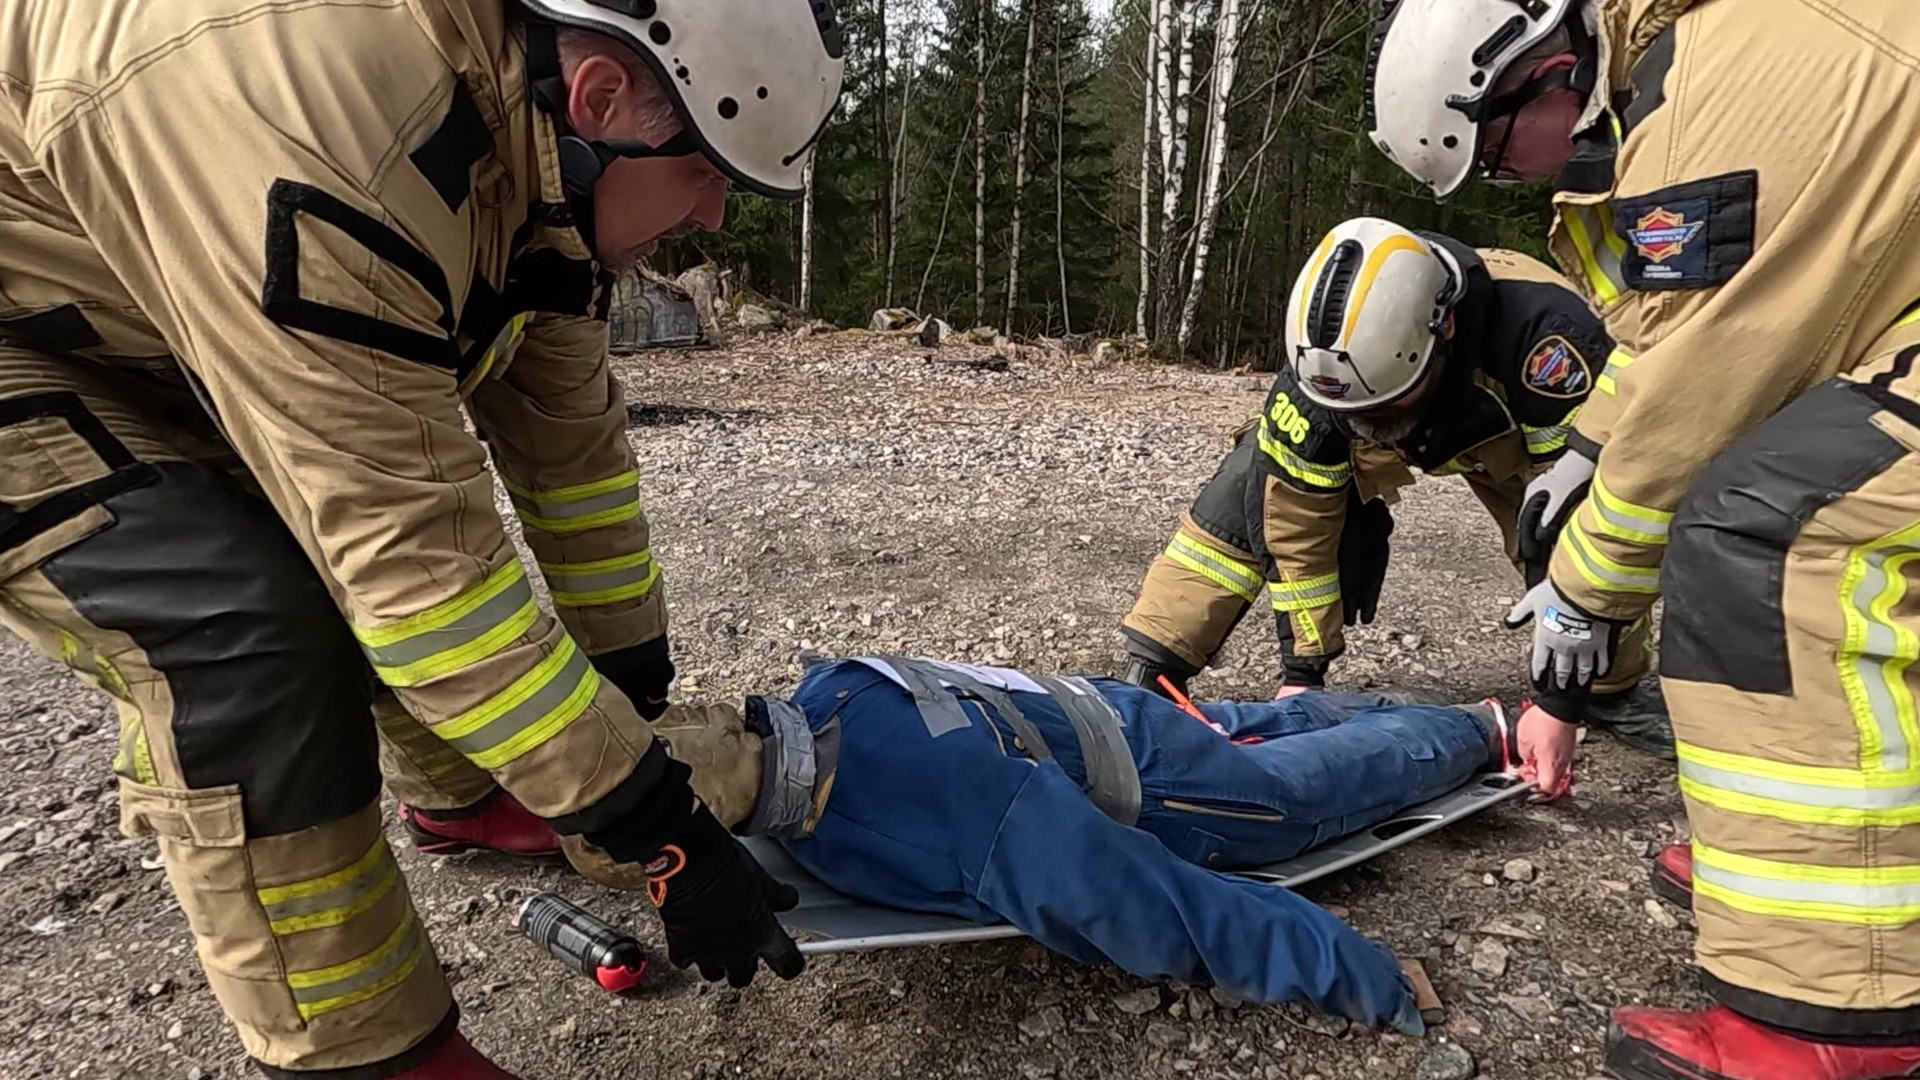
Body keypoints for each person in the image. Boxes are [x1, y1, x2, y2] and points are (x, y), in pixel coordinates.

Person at [0, 2, 843, 1077]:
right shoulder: (335, 152)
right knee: (244, 632)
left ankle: (465, 799)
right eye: (710, 172)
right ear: (598, 100)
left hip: (142, 299)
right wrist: (654, 822)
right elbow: (418, 576)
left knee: (370, 548)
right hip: (31, 325)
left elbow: (573, 465)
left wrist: (629, 708)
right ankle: (370, 1055)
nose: (718, 219)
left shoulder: (543, 168)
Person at [1366, 2, 1920, 1077]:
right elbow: (1663, 339)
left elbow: (1708, 382)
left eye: (1492, 156)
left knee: (1765, 534)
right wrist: (1589, 445)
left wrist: (1584, 601)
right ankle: (1842, 876)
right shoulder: (1709, 61)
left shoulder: (1715, 101)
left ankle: (1828, 1020)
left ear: (1541, 77)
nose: (1509, 184)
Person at [615, 655, 1527, 1035]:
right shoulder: (829, 689)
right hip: (1092, 715)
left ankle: (1477, 730)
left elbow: (1150, 907)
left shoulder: (929, 809)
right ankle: (1347, 713)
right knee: (1247, 732)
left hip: (1154, 776)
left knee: (1298, 798)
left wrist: (1350, 972)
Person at [1120, 216, 1670, 757]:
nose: (1367, 422)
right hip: (1395, 394)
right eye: (1356, 411)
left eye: (1382, 408)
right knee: (1255, 482)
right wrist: (1303, 674)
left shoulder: (1547, 341)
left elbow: (1583, 511)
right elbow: (1294, 525)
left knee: (1562, 539)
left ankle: (1606, 688)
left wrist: (1559, 700)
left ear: (1444, 330)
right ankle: (1156, 660)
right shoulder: (1324, 369)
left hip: (1510, 436)